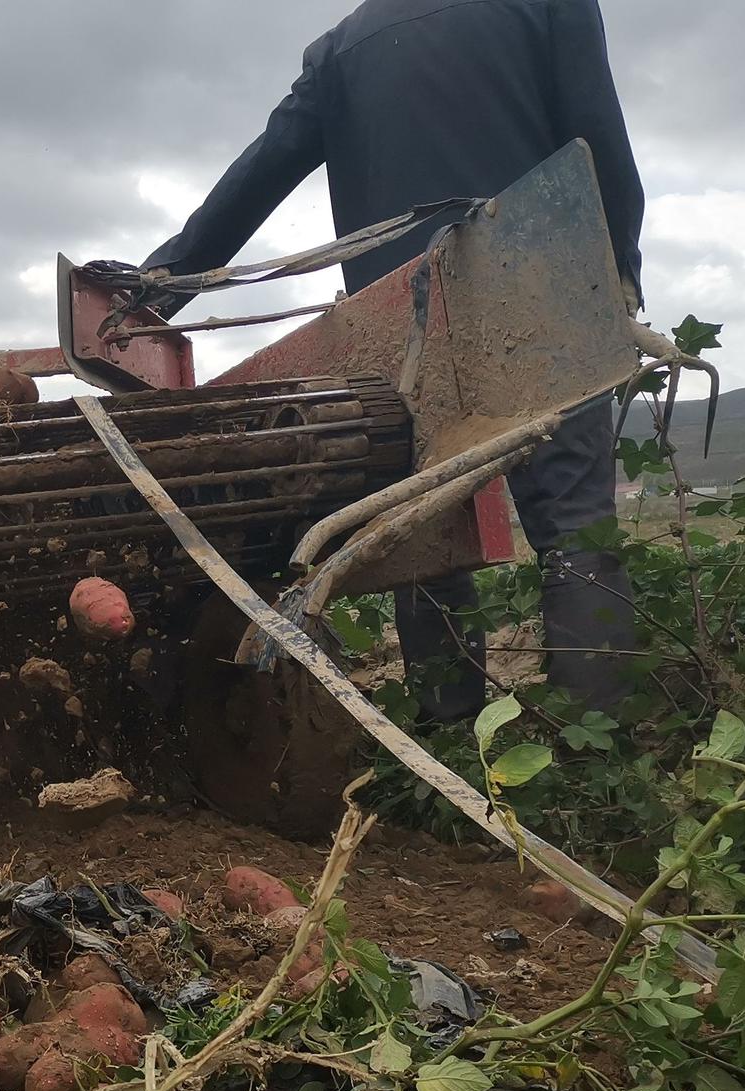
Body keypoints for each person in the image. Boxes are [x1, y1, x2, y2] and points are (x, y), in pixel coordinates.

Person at [142, 0, 645, 720]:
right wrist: (618, 268)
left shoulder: (340, 49)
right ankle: (597, 751)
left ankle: (448, 733)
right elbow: (599, 140)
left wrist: (155, 291)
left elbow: (255, 178)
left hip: (405, 321)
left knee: (422, 536)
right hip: (539, 286)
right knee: (574, 527)